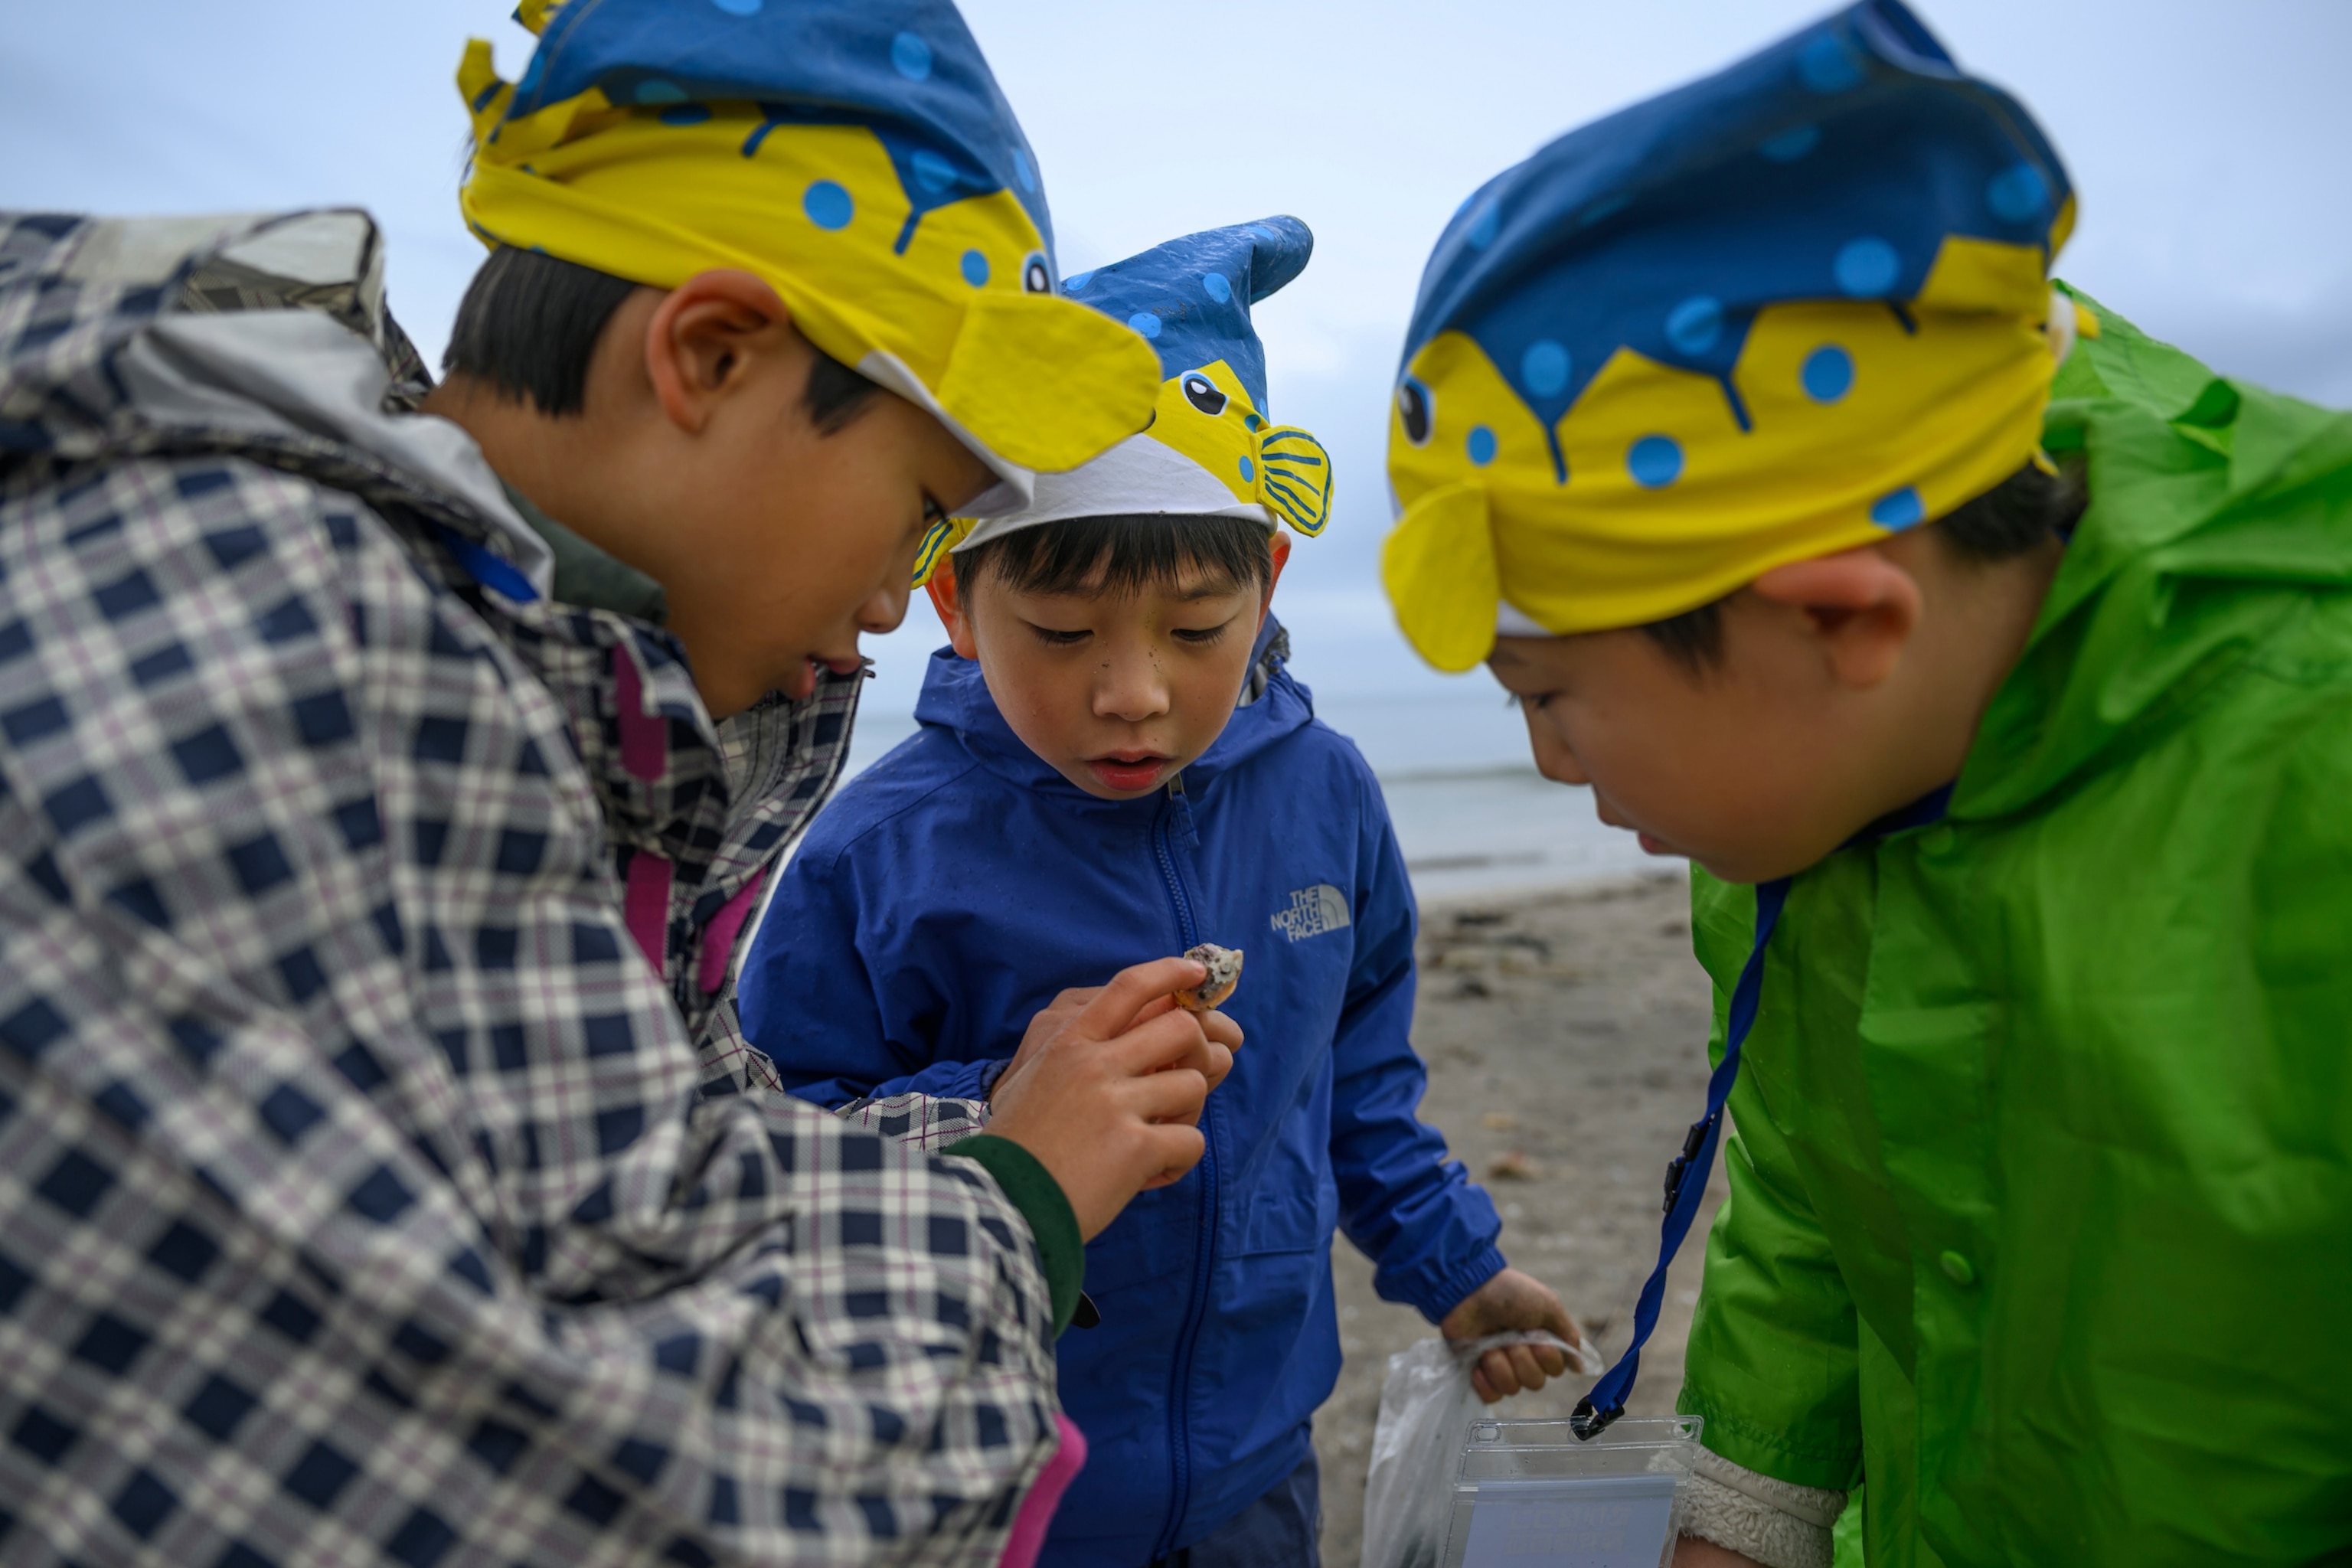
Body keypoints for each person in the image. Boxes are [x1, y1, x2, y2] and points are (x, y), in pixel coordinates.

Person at [0, 2, 1245, 1561]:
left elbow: (641, 1184)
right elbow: (611, 1492)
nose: (886, 598)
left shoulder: (476, 651)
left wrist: (1002, 1130)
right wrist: (1016, 1204)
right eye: (922, 501)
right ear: (709, 353)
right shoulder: (255, 636)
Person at [1379, 3, 2351, 1566]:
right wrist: (1745, 1510)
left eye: (1552, 698)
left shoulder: (2309, 771)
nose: (1552, 763)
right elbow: (1815, 1178)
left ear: (1843, 620)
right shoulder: (1805, 796)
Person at [740, 218, 1581, 1568]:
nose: (1131, 692)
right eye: (1062, 634)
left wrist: (1458, 1270)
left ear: (1269, 585)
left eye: (1195, 630)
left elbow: (1355, 1076)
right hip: (996, 1479)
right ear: (954, 601)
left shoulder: (1328, 793)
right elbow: (769, 1147)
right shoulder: (874, 852)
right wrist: (1017, 1102)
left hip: (1258, 1467)